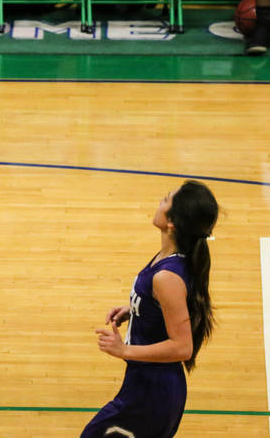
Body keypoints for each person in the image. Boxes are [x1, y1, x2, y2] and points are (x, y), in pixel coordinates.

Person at [82, 180, 220, 438]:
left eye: (166, 199)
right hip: (146, 386)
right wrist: (136, 308)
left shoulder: (166, 277)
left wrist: (123, 349)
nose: (160, 201)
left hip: (152, 394)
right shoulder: (171, 258)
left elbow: (182, 347)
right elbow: (168, 306)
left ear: (172, 223)